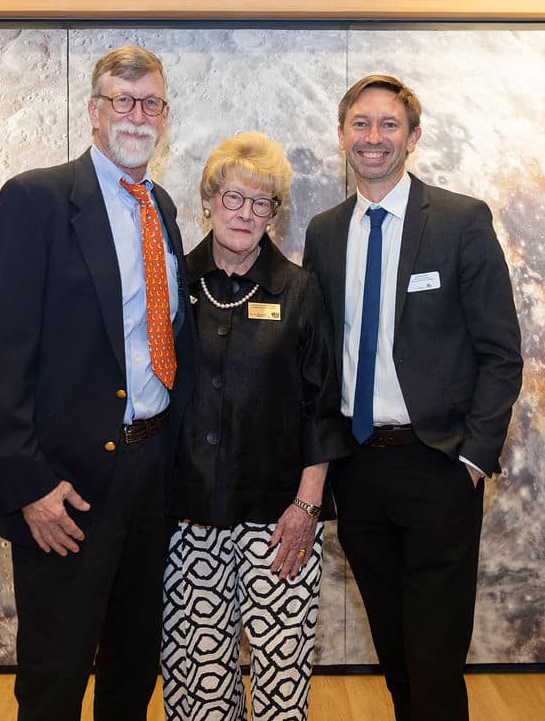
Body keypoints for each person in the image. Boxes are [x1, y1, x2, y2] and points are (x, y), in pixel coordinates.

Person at [0, 45, 197, 720]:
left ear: (164, 116)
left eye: (150, 102)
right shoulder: (36, 199)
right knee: (57, 673)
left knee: (133, 664)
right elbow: (0, 354)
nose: (137, 114)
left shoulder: (162, 206)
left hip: (152, 473)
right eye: (122, 100)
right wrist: (29, 484)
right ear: (94, 110)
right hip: (65, 486)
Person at [303, 75, 523, 720]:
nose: (373, 137)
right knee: (395, 651)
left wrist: (473, 458)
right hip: (359, 468)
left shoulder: (460, 221)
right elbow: (319, 357)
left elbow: (501, 352)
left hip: (439, 466)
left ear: (413, 136)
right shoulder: (324, 232)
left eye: (389, 124)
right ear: (342, 135)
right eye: (360, 124)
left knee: (434, 655)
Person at [160, 132, 351, 720]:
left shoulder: (299, 290)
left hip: (281, 523)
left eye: (261, 202)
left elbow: (322, 406)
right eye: (233, 197)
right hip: (186, 521)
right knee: (197, 689)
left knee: (279, 690)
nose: (245, 213)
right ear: (208, 201)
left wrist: (307, 507)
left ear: (274, 213)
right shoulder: (170, 283)